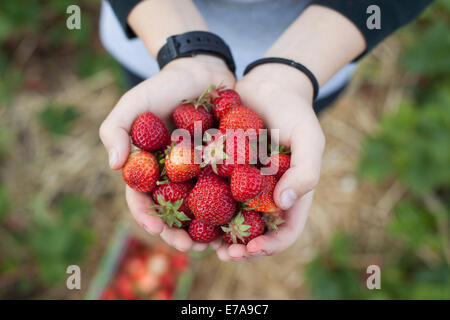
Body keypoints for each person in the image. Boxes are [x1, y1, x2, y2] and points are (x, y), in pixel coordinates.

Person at [98, 0, 432, 261]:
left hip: (321, 55)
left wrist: (294, 74)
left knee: (299, 128)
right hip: (156, 39)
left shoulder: (231, 155)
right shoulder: (194, 136)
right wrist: (185, 51)